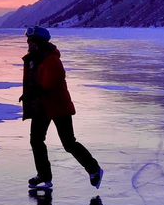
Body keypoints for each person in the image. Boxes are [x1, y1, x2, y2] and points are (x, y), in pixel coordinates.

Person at [20, 26, 103, 190]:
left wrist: (32, 93)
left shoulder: (52, 60)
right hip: (41, 107)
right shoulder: (34, 59)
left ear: (39, 42)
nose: (28, 44)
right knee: (36, 140)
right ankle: (44, 175)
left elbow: (49, 84)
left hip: (58, 106)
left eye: (31, 41)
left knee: (68, 143)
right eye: (28, 41)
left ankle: (94, 169)